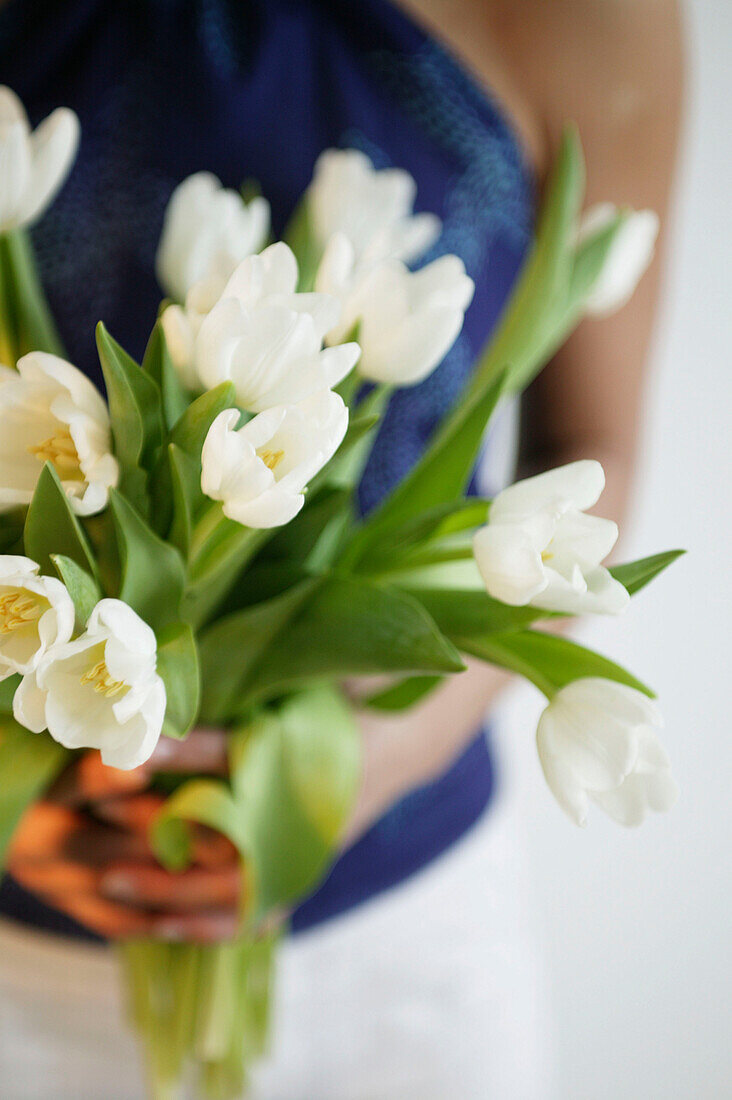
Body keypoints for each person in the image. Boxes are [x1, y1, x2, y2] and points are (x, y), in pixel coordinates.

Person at [0, 1, 683, 1096]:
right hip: (18, 964)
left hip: (409, 945)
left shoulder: (589, 17)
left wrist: (390, 751)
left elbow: (588, 458)